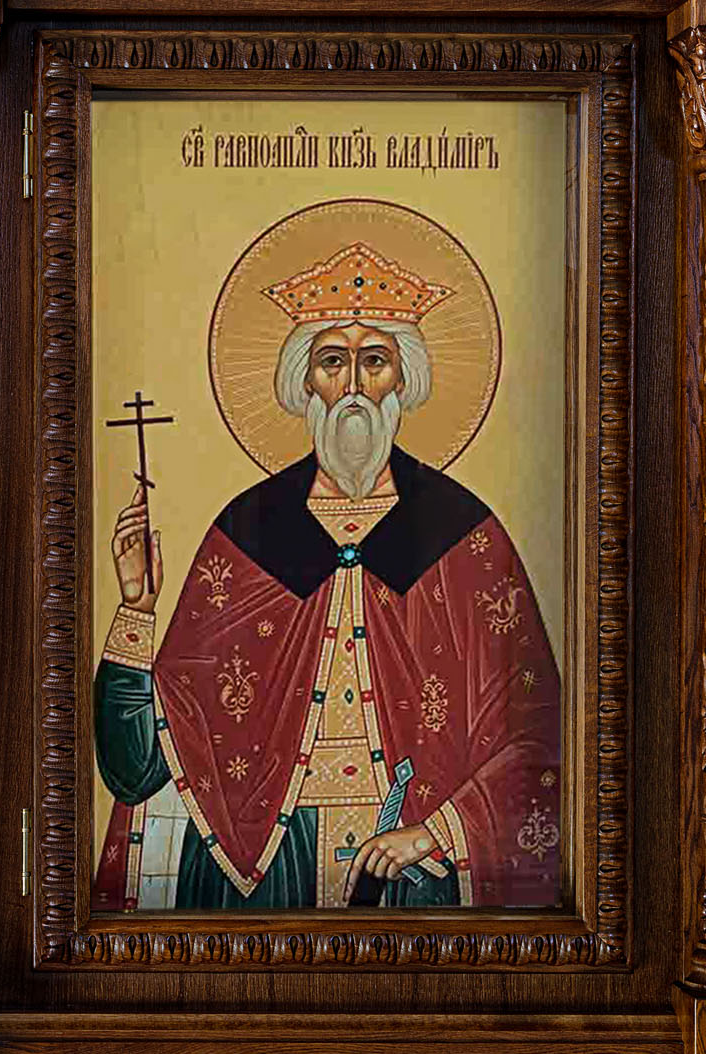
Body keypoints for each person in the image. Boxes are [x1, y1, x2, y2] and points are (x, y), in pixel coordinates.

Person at [92, 242, 562, 911]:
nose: (353, 386)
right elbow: (137, 765)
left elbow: (537, 735)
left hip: (414, 866)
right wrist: (136, 608)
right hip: (267, 869)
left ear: (403, 380)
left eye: (375, 361)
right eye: (332, 361)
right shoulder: (248, 536)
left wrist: (436, 833)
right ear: (305, 382)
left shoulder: (463, 536)